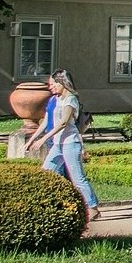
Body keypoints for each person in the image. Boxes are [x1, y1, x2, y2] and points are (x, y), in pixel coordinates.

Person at [29, 70, 99, 219]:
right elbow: (49, 121)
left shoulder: (70, 99)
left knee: (78, 178)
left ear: (62, 83)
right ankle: (51, 204)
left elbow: (63, 123)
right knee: (46, 174)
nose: (51, 87)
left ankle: (93, 207)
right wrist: (33, 139)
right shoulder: (58, 99)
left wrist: (43, 139)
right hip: (58, 144)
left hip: (70, 144)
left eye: (53, 84)